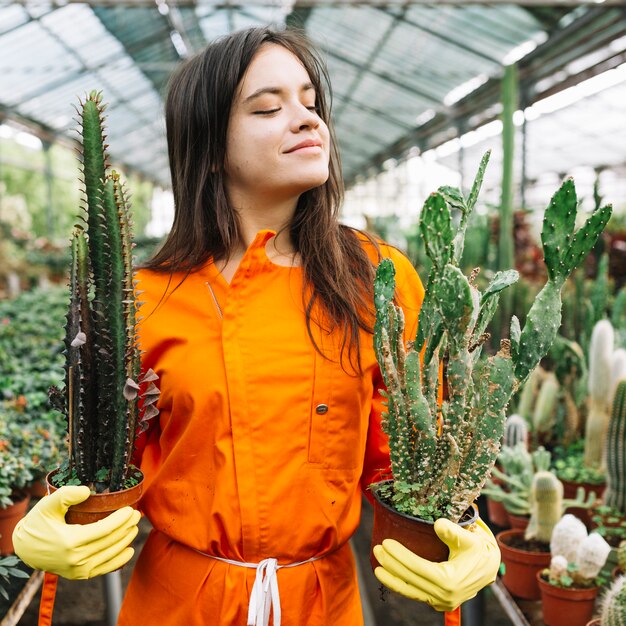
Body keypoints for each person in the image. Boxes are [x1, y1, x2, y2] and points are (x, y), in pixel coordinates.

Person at [13, 26, 499, 626]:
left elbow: (413, 456)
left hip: (324, 601)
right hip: (179, 602)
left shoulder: (379, 278)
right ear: (210, 147)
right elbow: (102, 465)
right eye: (268, 107)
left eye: (311, 103)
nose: (306, 120)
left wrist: (469, 527)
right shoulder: (142, 298)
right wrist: (43, 526)